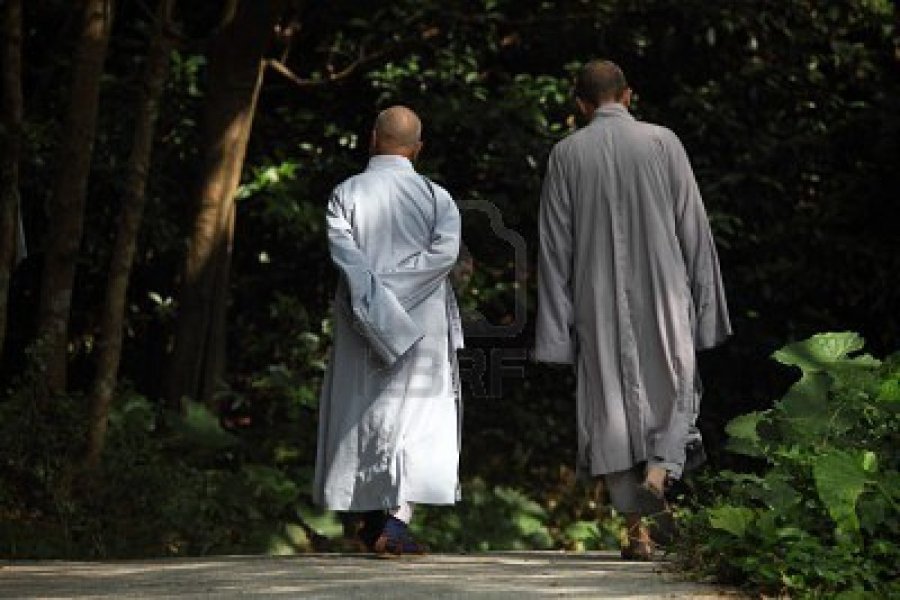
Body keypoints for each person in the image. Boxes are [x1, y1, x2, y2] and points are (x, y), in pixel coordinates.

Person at [534, 60, 731, 560]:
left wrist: (555, 333)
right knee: (678, 387)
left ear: (581, 104)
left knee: (611, 406)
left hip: (595, 299)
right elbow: (694, 228)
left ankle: (637, 531)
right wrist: (708, 309)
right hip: (665, 293)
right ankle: (659, 474)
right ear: (628, 96)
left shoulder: (566, 154)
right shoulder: (663, 142)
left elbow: (554, 248)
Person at [312, 105, 464, 556]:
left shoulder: (344, 194)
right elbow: (445, 255)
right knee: (418, 418)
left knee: (363, 414)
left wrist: (378, 299)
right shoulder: (438, 198)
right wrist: (398, 297)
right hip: (422, 322)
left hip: (363, 316)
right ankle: (393, 523)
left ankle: (375, 520)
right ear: (418, 149)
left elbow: (347, 260)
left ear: (372, 139)